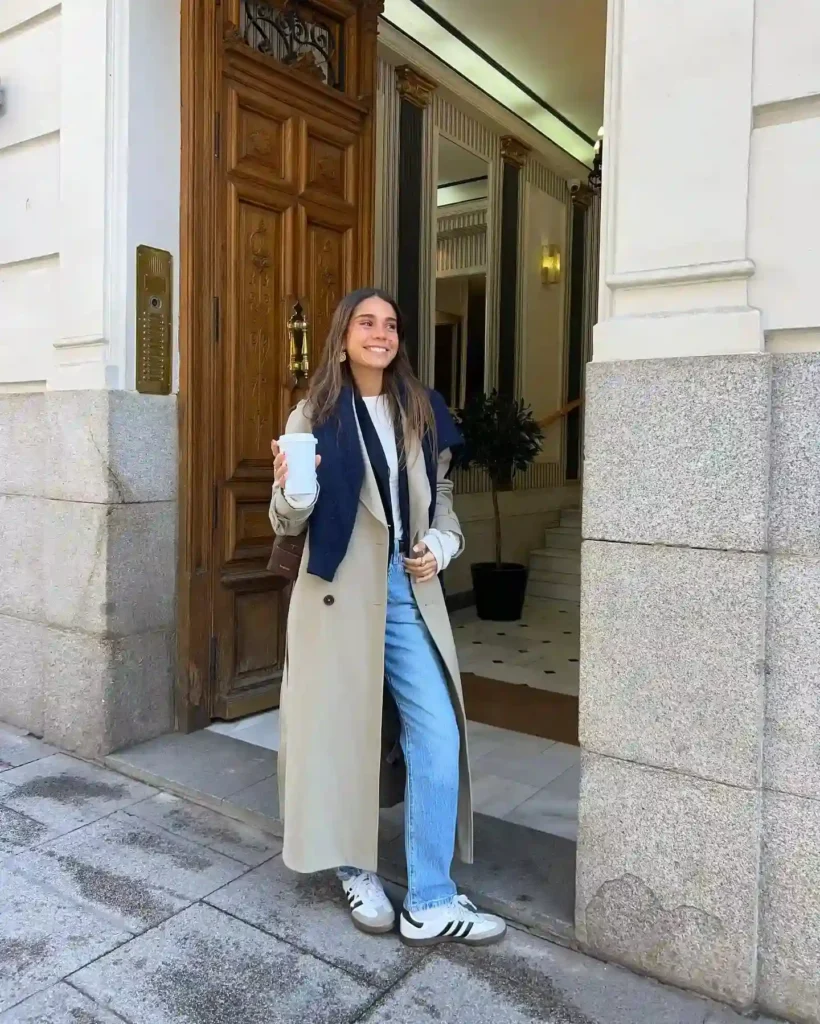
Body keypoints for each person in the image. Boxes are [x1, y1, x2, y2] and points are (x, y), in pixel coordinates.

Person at [269, 287, 506, 948]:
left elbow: (444, 499)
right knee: (346, 734)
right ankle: (357, 869)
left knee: (436, 730)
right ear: (343, 336)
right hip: (337, 595)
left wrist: (443, 544)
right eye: (366, 323)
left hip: (406, 592)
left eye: (391, 324)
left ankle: (430, 897)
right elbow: (287, 517)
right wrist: (289, 490)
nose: (381, 334)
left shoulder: (421, 410)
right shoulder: (312, 412)